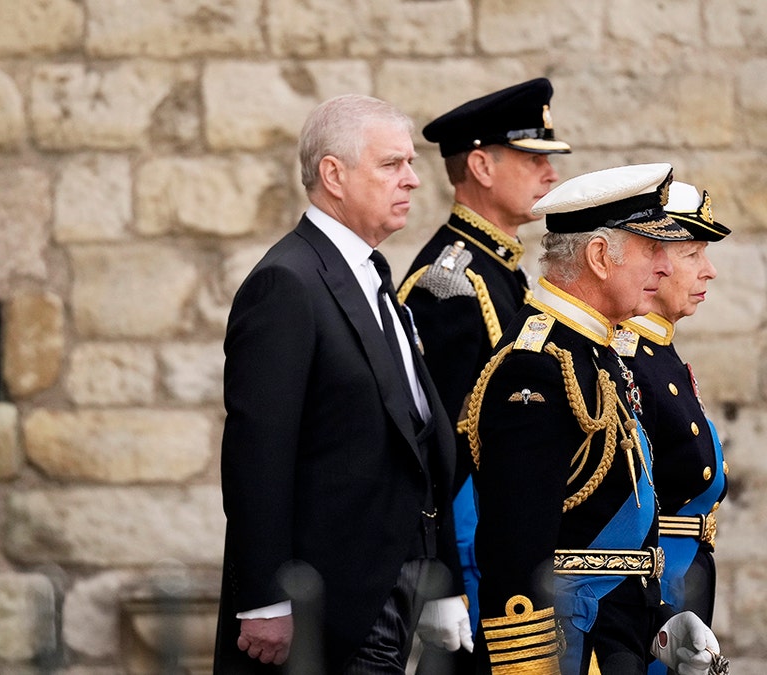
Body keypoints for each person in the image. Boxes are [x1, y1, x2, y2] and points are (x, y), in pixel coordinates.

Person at [214, 94, 470, 675]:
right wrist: (264, 598)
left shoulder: (371, 273)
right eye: (391, 165)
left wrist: (440, 578)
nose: (411, 180)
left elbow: (417, 443)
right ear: (333, 174)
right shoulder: (288, 281)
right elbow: (259, 453)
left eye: (410, 163)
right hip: (329, 600)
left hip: (396, 583)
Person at [462, 163, 723, 674]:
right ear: (600, 257)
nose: (665, 269)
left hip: (613, 635)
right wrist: (529, 668)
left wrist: (662, 624)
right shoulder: (538, 366)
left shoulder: (590, 350)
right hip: (570, 648)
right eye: (653, 251)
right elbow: (517, 552)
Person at [397, 78, 571, 673]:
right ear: (480, 165)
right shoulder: (451, 285)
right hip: (471, 557)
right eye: (533, 159)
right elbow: (429, 450)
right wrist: (440, 576)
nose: (550, 175)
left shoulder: (501, 272)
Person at [612, 182, 731, 675]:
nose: (709, 270)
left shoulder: (659, 353)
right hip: (658, 582)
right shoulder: (627, 359)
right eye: (693, 254)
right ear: (651, 262)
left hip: (684, 576)